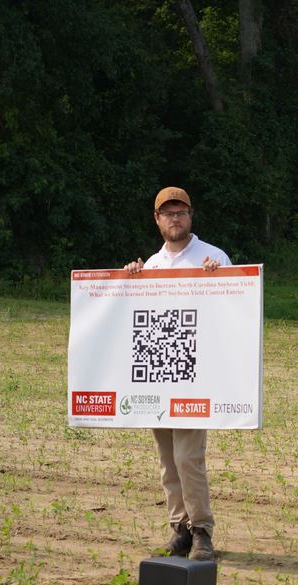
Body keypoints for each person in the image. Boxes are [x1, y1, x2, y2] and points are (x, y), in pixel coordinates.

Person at [124, 186, 231, 561]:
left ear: (191, 216)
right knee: (167, 458)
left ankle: (202, 531)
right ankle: (179, 529)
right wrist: (127, 281)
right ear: (157, 220)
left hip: (195, 373)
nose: (175, 218)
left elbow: (235, 308)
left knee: (188, 457)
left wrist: (219, 281)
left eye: (180, 211)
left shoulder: (213, 257)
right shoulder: (150, 266)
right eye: (167, 212)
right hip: (159, 373)